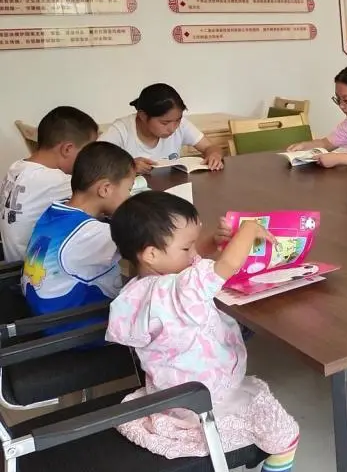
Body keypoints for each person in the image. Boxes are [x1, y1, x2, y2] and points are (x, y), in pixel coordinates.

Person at [106, 191, 298, 472]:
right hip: (210, 402)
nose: (194, 254)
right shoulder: (175, 291)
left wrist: (205, 243)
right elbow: (224, 267)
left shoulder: (136, 292)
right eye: (187, 248)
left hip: (170, 398)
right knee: (285, 439)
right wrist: (248, 231)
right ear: (151, 253)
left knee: (262, 423)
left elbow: (193, 267)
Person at [21, 141, 134, 333]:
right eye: (129, 189)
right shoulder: (92, 234)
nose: (129, 197)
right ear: (105, 189)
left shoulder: (54, 210)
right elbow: (146, 245)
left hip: (42, 314)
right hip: (73, 327)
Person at [1, 106, 98, 263]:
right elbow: (102, 191)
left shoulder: (17, 167)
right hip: (33, 269)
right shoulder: (55, 181)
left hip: (12, 261)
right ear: (67, 149)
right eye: (87, 152)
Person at [101, 83, 224, 175]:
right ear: (143, 116)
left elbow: (210, 147)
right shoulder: (121, 130)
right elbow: (93, 163)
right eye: (165, 123)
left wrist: (214, 155)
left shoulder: (180, 125)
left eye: (178, 120)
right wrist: (127, 166)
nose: (173, 128)